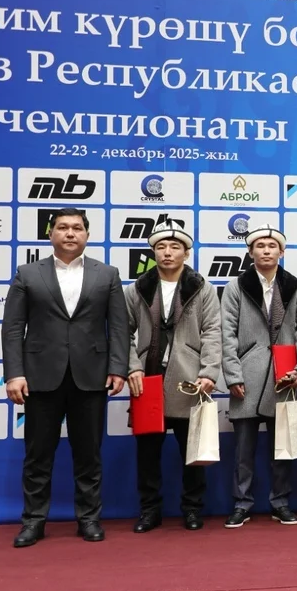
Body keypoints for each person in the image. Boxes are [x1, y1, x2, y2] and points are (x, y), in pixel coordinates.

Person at [2, 207, 129, 547]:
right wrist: (14, 373)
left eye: (77, 228)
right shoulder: (28, 273)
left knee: (89, 454)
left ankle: (89, 519)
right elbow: (13, 328)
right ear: (51, 234)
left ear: (87, 235)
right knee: (38, 455)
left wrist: (118, 368)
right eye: (62, 227)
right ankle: (33, 521)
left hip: (92, 376)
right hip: (40, 376)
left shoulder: (108, 274)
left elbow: (119, 327)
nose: (70, 233)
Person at [124, 221, 222, 532]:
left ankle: (192, 509)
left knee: (192, 451)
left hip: (189, 379)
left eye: (175, 247)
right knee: (147, 452)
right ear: (153, 252)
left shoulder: (202, 287)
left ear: (186, 252)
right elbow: (122, 332)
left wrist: (209, 372)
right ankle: (149, 511)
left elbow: (213, 332)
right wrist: (133, 367)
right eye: (161, 247)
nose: (167, 252)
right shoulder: (137, 288)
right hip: (147, 379)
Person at [220, 224, 297, 527]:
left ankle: (280, 502)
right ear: (250, 252)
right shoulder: (236, 287)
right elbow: (226, 334)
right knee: (243, 450)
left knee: (282, 447)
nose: (266, 251)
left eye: (272, 246)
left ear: (281, 252)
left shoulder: (295, 287)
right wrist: (233, 375)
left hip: (284, 376)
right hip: (247, 375)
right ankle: (242, 503)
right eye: (260, 246)